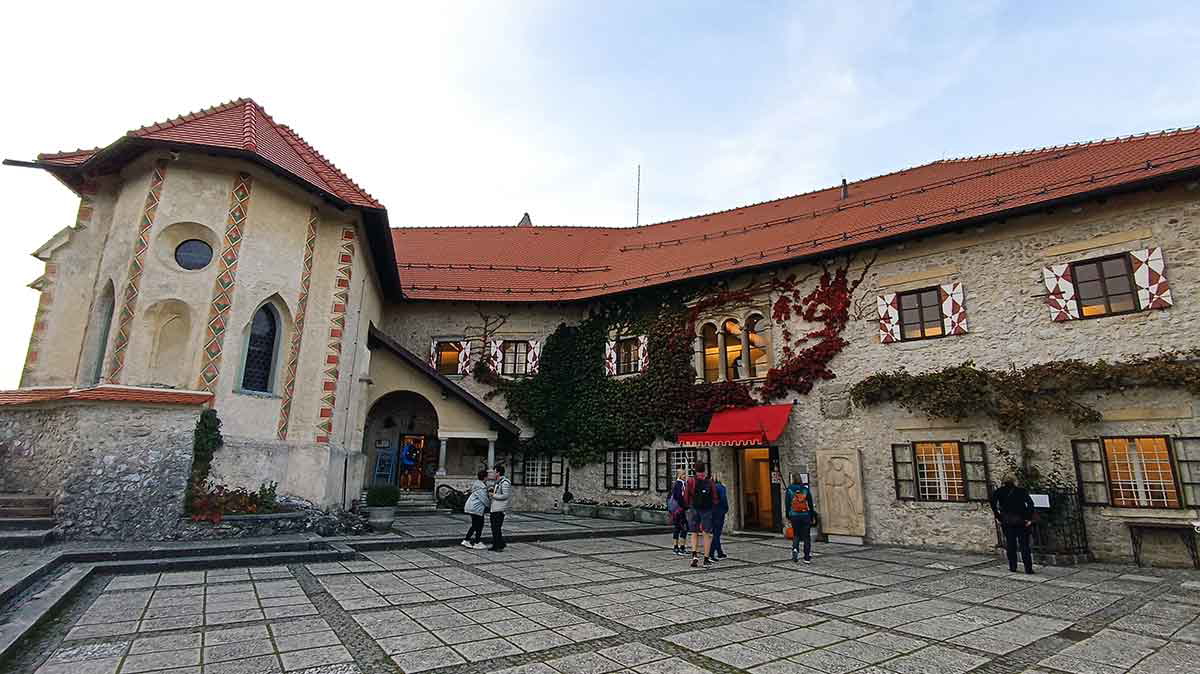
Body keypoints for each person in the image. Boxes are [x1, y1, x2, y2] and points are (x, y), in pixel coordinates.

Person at [991, 477, 1035, 574]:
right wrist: (1028, 518)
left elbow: (993, 504)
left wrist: (999, 517)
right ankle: (1028, 568)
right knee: (1024, 545)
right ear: (1014, 482)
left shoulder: (999, 491)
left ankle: (1013, 566)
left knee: (1011, 545)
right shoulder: (1021, 491)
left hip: (1007, 521)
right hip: (1021, 520)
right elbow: (1030, 504)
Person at [683, 461, 719, 568]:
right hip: (707, 510)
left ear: (695, 470)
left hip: (694, 508)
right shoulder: (710, 482)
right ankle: (706, 559)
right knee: (706, 533)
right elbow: (715, 497)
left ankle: (694, 555)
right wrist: (713, 507)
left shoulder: (691, 481)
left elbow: (686, 496)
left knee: (694, 532)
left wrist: (688, 505)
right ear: (705, 470)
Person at [785, 474, 817, 564]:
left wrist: (788, 515)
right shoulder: (805, 489)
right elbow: (810, 503)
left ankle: (795, 549)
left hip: (794, 515)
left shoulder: (789, 489)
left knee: (796, 534)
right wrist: (811, 515)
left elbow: (787, 504)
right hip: (805, 515)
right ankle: (806, 557)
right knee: (806, 536)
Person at [461, 469, 490, 549]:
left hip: (474, 508)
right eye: (487, 476)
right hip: (476, 508)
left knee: (477, 525)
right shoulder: (481, 487)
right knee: (477, 525)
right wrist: (490, 506)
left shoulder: (477, 484)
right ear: (485, 477)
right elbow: (484, 499)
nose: (488, 478)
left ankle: (474, 541)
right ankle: (471, 541)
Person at [488, 464, 511, 552]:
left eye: (494, 472)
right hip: (494, 508)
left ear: (498, 473)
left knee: (496, 528)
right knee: (495, 528)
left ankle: (497, 546)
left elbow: (505, 496)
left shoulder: (505, 482)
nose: (493, 474)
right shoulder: (498, 482)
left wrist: (493, 495)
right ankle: (500, 544)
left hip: (499, 509)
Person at [668, 470, 688, 556]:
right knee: (684, 528)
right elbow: (679, 497)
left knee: (677, 528)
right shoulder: (680, 484)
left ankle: (676, 547)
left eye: (685, 474)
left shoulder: (677, 483)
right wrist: (684, 506)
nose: (685, 475)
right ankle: (681, 548)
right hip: (679, 510)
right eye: (683, 474)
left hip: (676, 510)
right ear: (679, 475)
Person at [710, 473, 729, 560]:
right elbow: (723, 499)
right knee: (717, 533)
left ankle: (719, 552)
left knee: (715, 532)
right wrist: (726, 509)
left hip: (711, 511)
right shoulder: (721, 487)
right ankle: (711, 553)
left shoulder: (711, 486)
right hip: (719, 511)